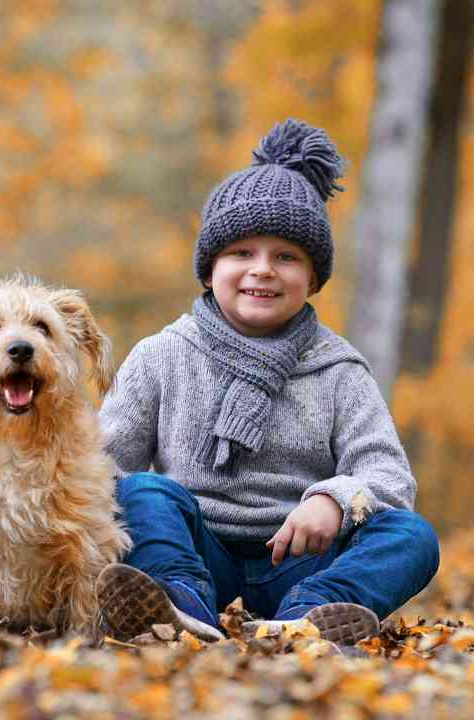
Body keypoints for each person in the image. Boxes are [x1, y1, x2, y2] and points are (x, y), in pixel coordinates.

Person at [95, 119, 440, 645]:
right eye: (242, 254)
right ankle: (178, 603)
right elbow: (101, 467)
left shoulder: (339, 370)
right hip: (197, 549)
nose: (263, 270)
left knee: (412, 537)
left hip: (300, 560)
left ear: (312, 278)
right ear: (210, 270)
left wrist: (334, 499)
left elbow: (389, 475)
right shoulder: (163, 355)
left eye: (286, 256)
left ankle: (307, 617)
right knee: (139, 491)